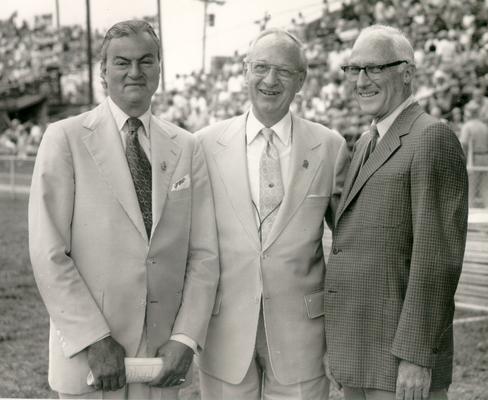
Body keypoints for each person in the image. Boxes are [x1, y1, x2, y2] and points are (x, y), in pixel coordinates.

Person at [28, 20, 219, 399]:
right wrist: (94, 339)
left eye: (146, 61)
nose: (135, 72)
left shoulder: (186, 146)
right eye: (122, 62)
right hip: (91, 363)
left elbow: (204, 255)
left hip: (162, 363)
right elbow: (48, 254)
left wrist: (185, 337)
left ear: (159, 68)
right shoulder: (64, 138)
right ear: (103, 71)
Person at [196, 28, 350, 400]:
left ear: (301, 80)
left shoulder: (330, 147)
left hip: (303, 337)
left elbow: (350, 245)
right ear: (245, 72)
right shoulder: (203, 144)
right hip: (223, 331)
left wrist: (346, 332)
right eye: (261, 68)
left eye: (283, 71)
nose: (270, 80)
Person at [324, 25, 468, 400]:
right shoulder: (366, 140)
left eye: (373, 68)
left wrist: (417, 358)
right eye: (353, 70)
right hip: (359, 353)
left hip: (400, 361)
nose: (361, 80)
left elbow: (436, 261)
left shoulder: (432, 137)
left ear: (407, 73)